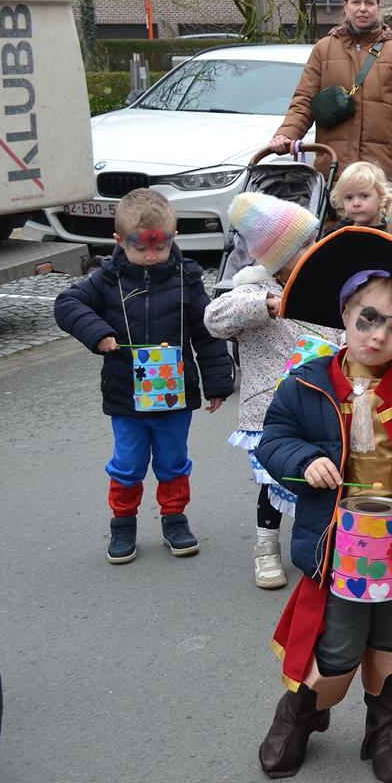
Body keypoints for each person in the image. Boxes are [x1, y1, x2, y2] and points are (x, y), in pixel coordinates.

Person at [254, 226, 392, 783]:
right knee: (336, 643)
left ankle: (387, 727)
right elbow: (274, 439)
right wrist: (304, 459)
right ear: (346, 312)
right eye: (368, 319)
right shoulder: (306, 384)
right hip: (337, 545)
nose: (378, 336)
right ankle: (300, 715)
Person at [54, 189, 234, 564]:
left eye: (161, 246)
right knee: (128, 464)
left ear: (174, 237)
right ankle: (123, 523)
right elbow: (67, 304)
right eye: (141, 248)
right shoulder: (108, 278)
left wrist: (217, 382)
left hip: (174, 396)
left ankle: (174, 518)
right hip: (126, 397)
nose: (152, 256)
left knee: (173, 461)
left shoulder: (187, 278)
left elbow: (207, 333)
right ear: (119, 241)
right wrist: (98, 333)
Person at [203, 193, 327, 589]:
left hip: (321, 406)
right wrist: (266, 304)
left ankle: (320, 543)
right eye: (303, 245)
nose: (314, 248)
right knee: (273, 481)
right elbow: (214, 319)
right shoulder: (252, 291)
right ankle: (266, 546)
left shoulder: (322, 285)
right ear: (278, 258)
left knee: (321, 478)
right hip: (271, 411)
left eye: (314, 239)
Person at [271, 0, 392, 178]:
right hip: (335, 170)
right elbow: (304, 100)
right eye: (356, 2)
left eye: (369, 3)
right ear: (346, 6)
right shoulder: (323, 49)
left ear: (378, 8)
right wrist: (287, 134)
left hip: (380, 172)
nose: (363, 8)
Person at [329, 161, 392, 229]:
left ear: (381, 196)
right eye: (349, 197)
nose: (356, 203)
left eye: (364, 196)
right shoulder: (341, 230)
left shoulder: (391, 230)